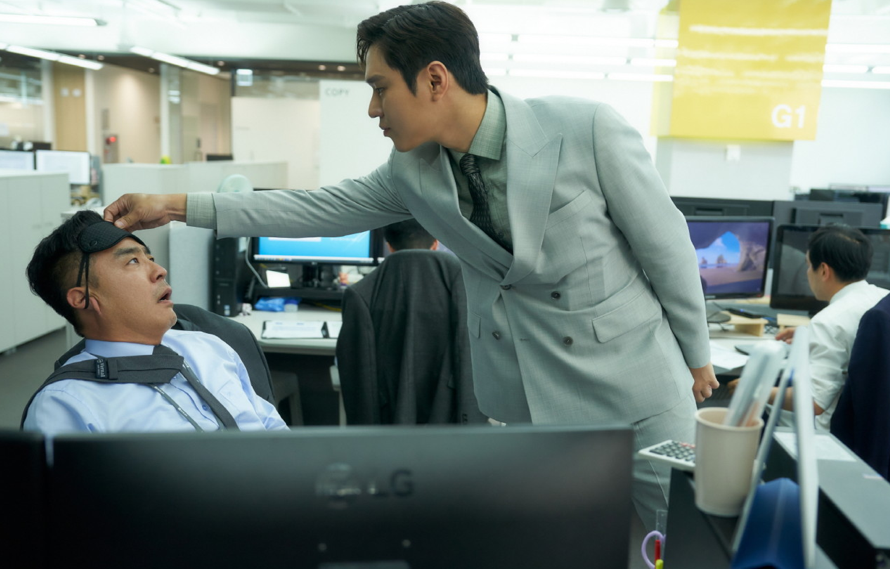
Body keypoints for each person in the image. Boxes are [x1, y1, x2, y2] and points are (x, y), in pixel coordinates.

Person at [103, 2, 717, 526]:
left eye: (379, 88)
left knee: (689, 532)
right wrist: (175, 206)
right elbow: (315, 207)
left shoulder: (584, 129)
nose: (373, 110)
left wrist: (697, 356)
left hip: (635, 383)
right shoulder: (413, 173)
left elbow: (665, 244)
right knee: (566, 543)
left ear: (435, 79)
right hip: (535, 398)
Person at [22, 210, 288, 435]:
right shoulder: (64, 406)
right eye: (133, 261)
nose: (159, 270)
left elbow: (273, 429)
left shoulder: (209, 347)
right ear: (83, 299)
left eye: (150, 258)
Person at [767, 225, 888, 430]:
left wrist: (754, 389)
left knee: (764, 406)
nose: (807, 273)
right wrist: (811, 334)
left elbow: (814, 401)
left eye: (808, 265)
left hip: (833, 433)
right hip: (877, 427)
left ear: (823, 270)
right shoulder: (883, 297)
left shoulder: (828, 321)